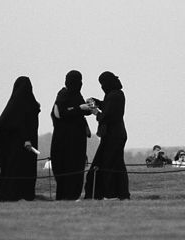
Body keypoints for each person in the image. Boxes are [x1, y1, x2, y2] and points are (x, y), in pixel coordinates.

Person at [84, 71, 130, 200]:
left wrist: (95, 112)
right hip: (115, 134)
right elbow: (107, 106)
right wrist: (97, 102)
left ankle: (110, 193)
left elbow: (107, 116)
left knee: (109, 165)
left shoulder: (114, 95)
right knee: (116, 165)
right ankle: (119, 193)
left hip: (113, 135)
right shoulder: (115, 94)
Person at [0, 76, 40, 201]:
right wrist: (26, 139)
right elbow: (21, 124)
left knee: (15, 169)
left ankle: (15, 193)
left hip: (20, 145)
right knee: (19, 169)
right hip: (23, 144)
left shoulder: (14, 105)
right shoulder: (24, 104)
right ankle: (19, 193)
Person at [50, 70, 91, 200]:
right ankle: (65, 195)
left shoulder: (76, 94)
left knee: (76, 167)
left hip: (77, 141)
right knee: (65, 168)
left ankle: (73, 195)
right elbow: (60, 113)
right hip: (64, 141)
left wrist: (88, 107)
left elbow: (80, 111)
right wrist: (79, 108)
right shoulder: (63, 95)